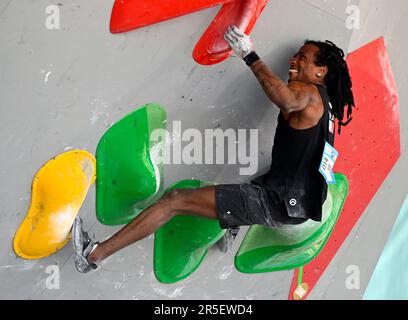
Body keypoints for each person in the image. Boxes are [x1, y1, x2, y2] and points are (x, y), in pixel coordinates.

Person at [72, 25, 355, 273]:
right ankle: (230, 225)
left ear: (321, 71)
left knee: (175, 200)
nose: (294, 60)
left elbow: (288, 101)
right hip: (294, 204)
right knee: (250, 185)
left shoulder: (308, 94)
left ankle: (93, 255)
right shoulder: (327, 106)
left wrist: (249, 55)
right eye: (295, 55)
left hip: (277, 201)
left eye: (302, 58)